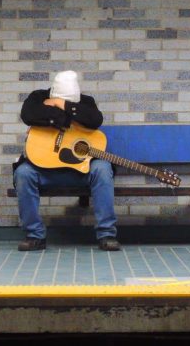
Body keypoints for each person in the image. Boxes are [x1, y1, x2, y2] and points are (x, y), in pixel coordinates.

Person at [13, 70, 120, 252]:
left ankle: (106, 234)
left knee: (102, 168)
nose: (67, 105)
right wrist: (62, 115)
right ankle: (35, 236)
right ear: (52, 91)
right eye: (61, 100)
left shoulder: (87, 102)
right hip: (45, 169)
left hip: (80, 170)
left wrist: (60, 104)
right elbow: (28, 115)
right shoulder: (38, 97)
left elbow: (95, 119)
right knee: (23, 173)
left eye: (71, 103)